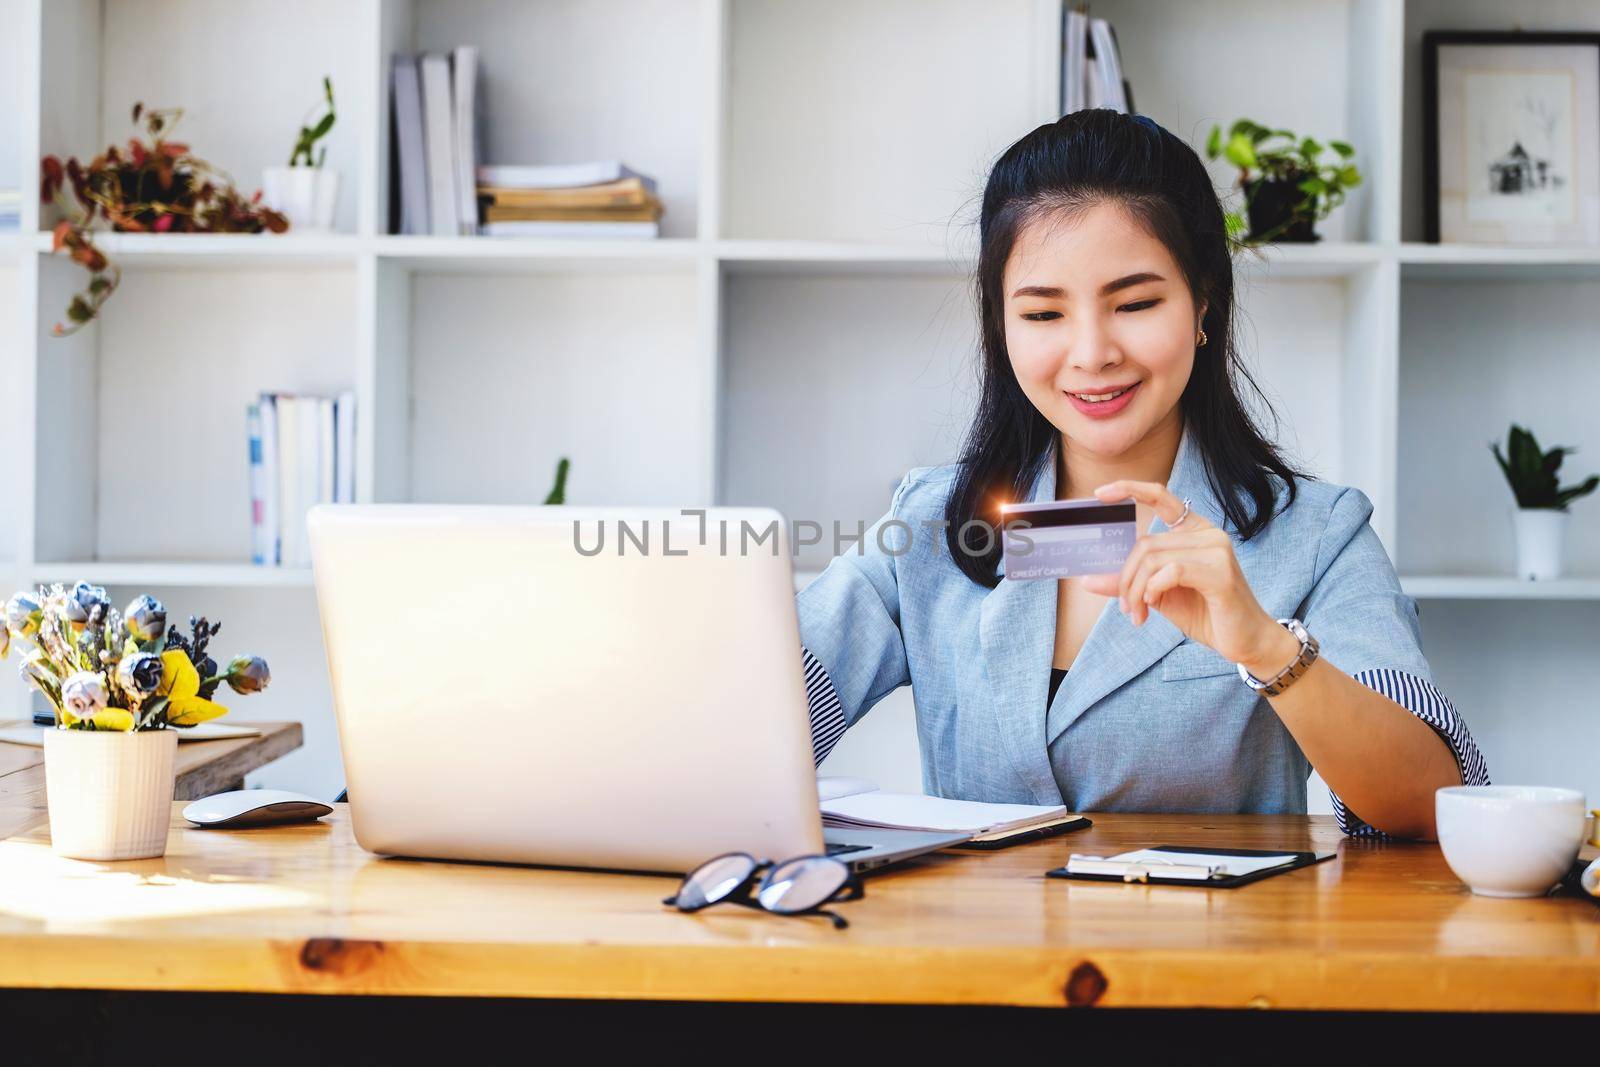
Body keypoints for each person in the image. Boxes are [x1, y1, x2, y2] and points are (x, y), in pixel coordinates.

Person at [795, 109, 1487, 840]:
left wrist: (1265, 646)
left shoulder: (1314, 534)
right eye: (1042, 314)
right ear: (1000, 325)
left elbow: (1431, 806)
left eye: (1135, 303)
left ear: (1203, 304)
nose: (1092, 353)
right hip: (977, 950)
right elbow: (749, 729)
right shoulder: (934, 524)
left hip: (1214, 952)